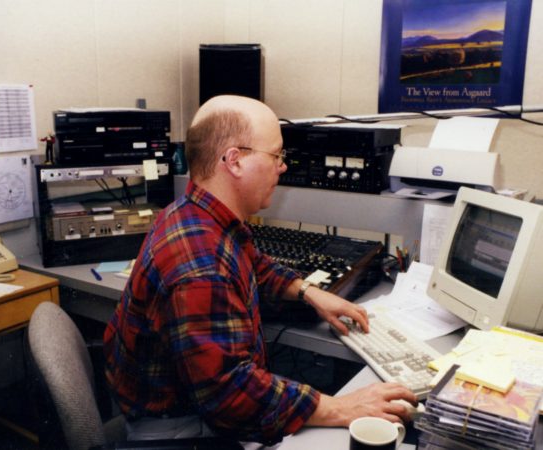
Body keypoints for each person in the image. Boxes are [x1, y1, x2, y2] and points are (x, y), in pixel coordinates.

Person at [103, 95, 417, 445]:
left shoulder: (195, 212)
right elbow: (229, 395)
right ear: (234, 161)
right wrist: (340, 408)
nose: (282, 166)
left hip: (190, 403)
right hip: (181, 429)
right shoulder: (201, 265)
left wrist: (309, 292)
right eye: (276, 155)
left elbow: (253, 262)